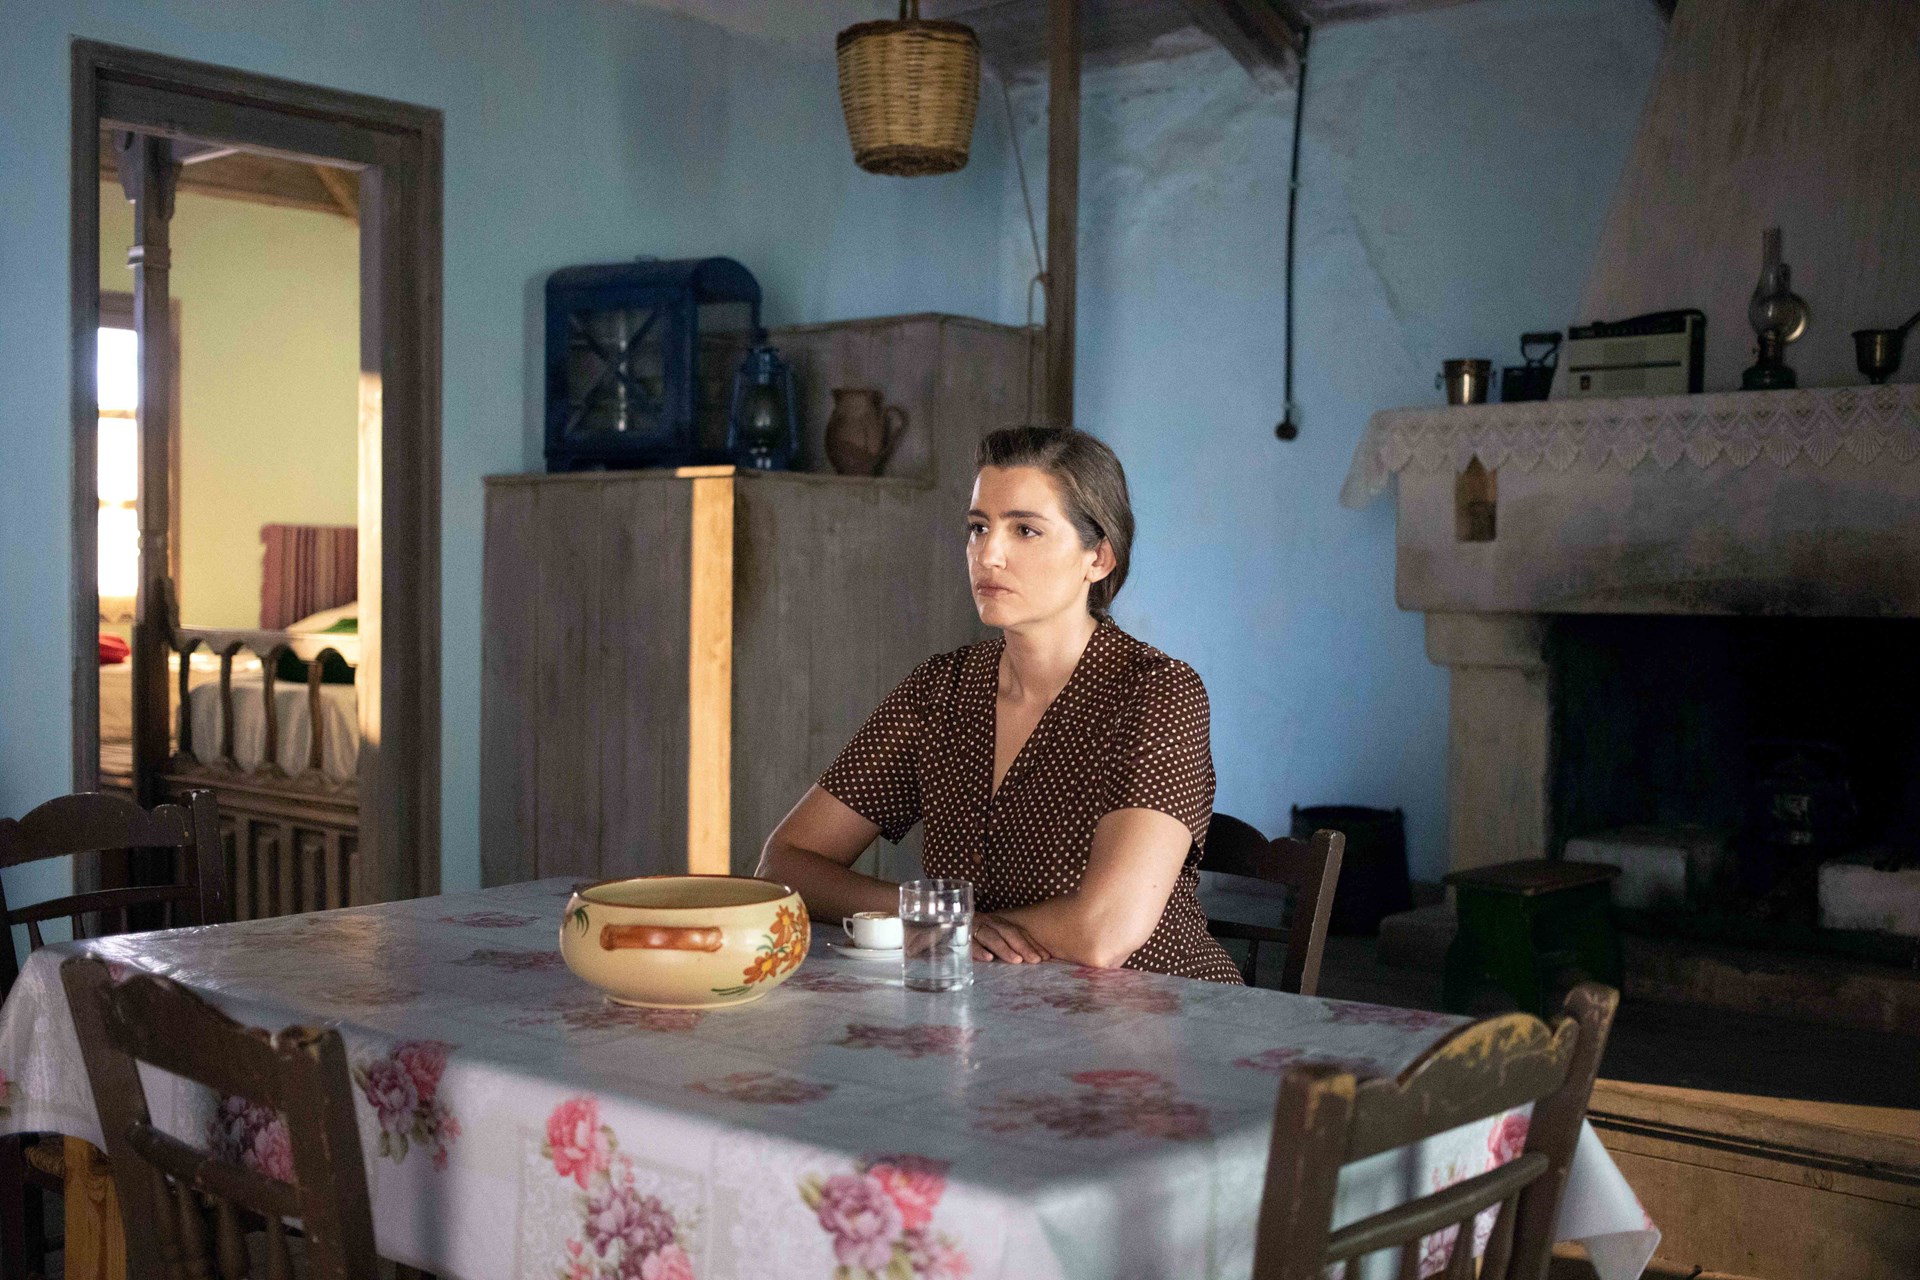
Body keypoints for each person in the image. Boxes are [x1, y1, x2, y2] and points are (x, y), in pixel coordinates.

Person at [756, 425, 1241, 983]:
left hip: (1158, 1014)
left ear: (1099, 558)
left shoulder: (1157, 693)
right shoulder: (940, 691)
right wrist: (941, 920)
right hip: (988, 1010)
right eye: (978, 527)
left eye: (1026, 530)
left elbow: (1104, 933)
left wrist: (946, 928)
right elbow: (783, 866)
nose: (989, 554)